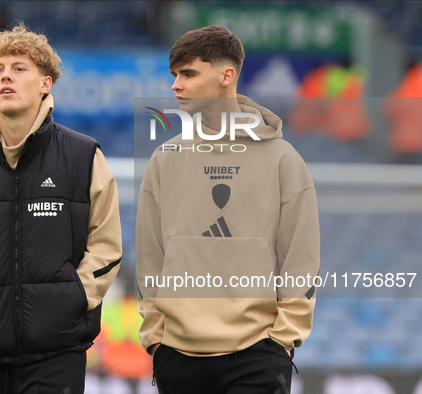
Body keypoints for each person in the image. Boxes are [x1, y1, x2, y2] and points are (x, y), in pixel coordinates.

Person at [0, 23, 122, 394]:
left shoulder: (83, 156)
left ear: (45, 84)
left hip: (59, 352)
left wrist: (74, 299)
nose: (5, 77)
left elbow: (106, 245)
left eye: (19, 68)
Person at [136, 26, 320, 394]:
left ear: (226, 75)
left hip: (257, 356)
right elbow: (150, 257)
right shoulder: (165, 158)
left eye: (187, 74)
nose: (175, 85)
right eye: (174, 75)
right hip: (177, 355)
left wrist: (282, 340)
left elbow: (300, 259)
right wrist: (156, 337)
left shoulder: (284, 160)